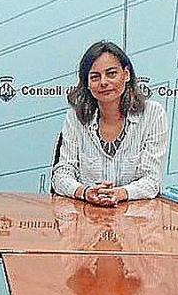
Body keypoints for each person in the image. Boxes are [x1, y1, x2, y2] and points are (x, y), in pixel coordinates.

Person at [52, 41, 169, 206]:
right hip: (86, 214)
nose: (103, 82)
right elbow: (61, 176)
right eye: (95, 77)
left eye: (111, 74)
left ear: (126, 74)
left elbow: (151, 181)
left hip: (134, 216)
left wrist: (120, 193)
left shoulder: (153, 114)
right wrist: (84, 192)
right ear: (87, 83)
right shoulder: (75, 116)